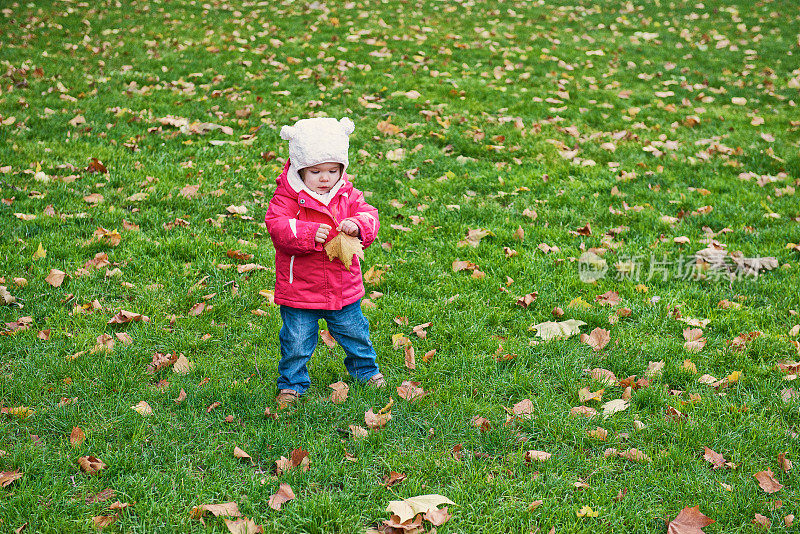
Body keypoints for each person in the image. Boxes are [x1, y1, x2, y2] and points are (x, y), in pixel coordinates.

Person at [265, 117, 385, 409]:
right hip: (300, 291)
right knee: (296, 342)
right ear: (299, 168)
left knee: (356, 333)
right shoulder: (287, 199)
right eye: (315, 171)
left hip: (343, 287)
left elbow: (371, 215)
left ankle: (366, 371)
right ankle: (292, 384)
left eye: (332, 170)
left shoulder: (348, 196)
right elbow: (277, 226)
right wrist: (306, 233)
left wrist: (357, 225)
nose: (324, 178)